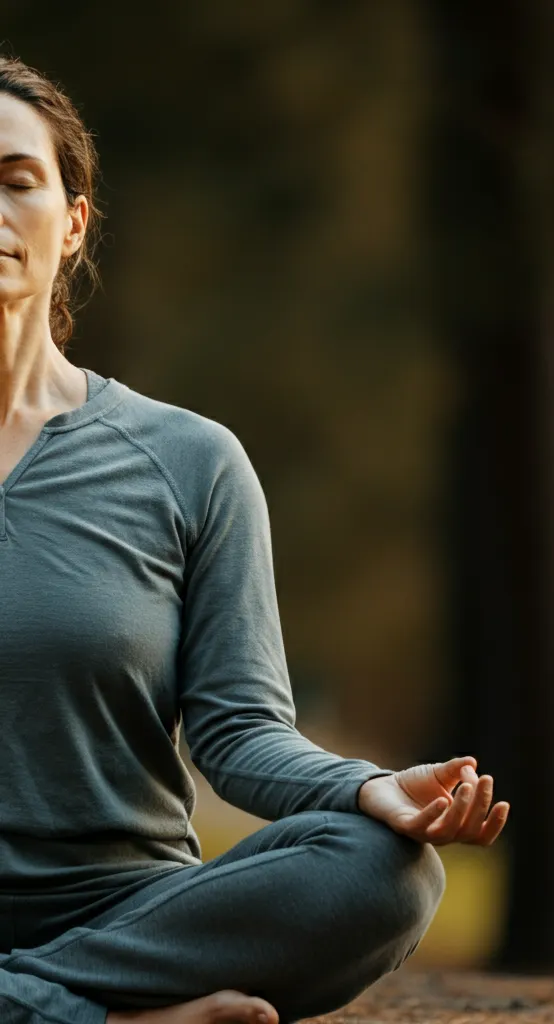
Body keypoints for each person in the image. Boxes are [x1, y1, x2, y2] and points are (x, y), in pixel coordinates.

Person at [0, 54, 509, 1024]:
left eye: (15, 179)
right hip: (139, 982)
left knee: (383, 870)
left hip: (134, 914)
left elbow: (237, 733)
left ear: (71, 223)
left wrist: (369, 787)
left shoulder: (189, 460)